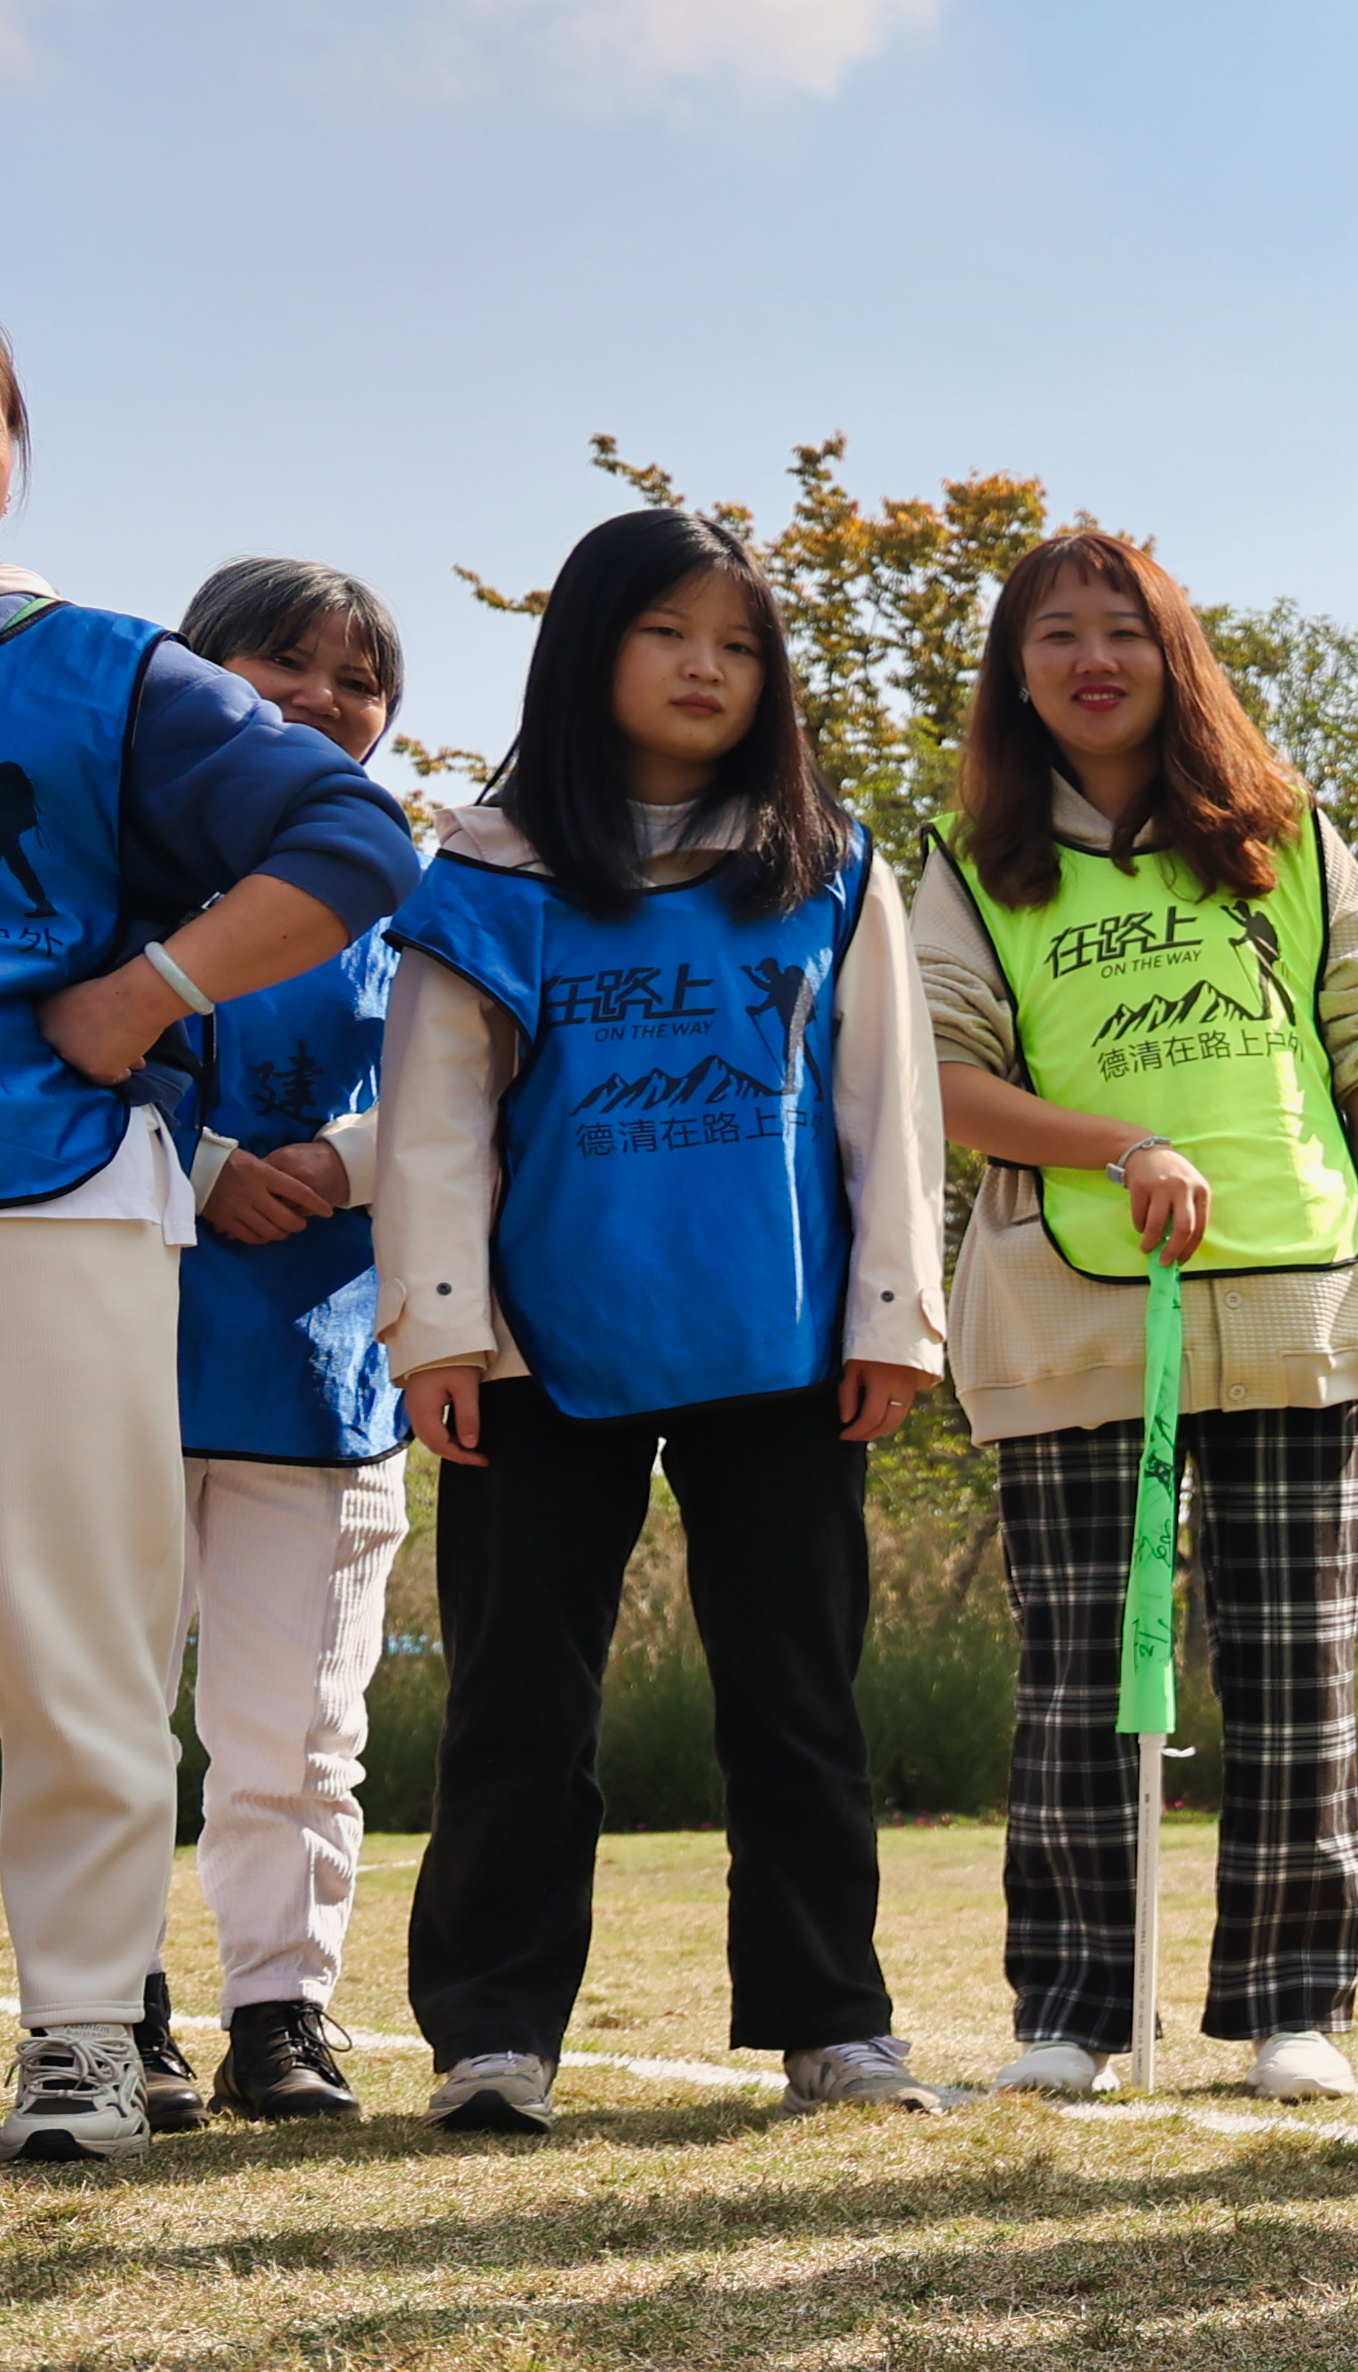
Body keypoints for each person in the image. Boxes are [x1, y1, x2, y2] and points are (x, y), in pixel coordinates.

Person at [0, 283, 414, 2160]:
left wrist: (141, 999)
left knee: (78, 1640)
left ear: (17, 442)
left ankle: (79, 2037)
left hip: (31, 1190)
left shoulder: (105, 666)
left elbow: (356, 844)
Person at [380, 506, 950, 2133]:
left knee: (796, 1693)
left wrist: (890, 1318)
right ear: (588, 653)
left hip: (783, 1351)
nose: (707, 667)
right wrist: (438, 1325)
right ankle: (492, 2035)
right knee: (517, 1698)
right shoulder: (492, 871)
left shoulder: (826, 864)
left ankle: (832, 2021)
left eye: (740, 641)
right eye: (667, 633)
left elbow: (883, 1106)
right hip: (541, 1356)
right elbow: (432, 1116)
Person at [919, 534, 1358, 2106]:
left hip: (1294, 1302)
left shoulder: (1289, 832)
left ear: (1175, 653)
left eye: (1123, 633)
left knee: (1300, 1668)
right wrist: (1121, 1146)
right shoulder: (965, 855)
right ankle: (1071, 2013)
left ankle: (1296, 2008)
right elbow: (939, 1079)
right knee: (1082, 1671)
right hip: (1069, 1310)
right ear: (1016, 672)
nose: (1093, 661)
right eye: (1056, 636)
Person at [151, 557, 421, 2128]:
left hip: (323, 1368)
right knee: (105, 1708)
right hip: (111, 1348)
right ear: (196, 675)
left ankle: (281, 2015)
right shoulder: (106, 857)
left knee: (300, 1726)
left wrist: (340, 1163)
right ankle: (111, 2013)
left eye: (358, 679)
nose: (323, 699)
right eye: (281, 664)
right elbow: (39, 1039)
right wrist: (203, 1170)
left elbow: (463, 1086)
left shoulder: (410, 892)